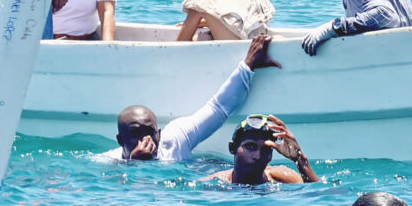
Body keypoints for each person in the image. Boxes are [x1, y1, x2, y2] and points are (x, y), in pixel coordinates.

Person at [104, 34, 281, 161]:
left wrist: (248, 65)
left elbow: (218, 109)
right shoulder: (110, 163)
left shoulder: (175, 139)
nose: (146, 141)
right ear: (120, 141)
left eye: (150, 133)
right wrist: (136, 166)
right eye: (136, 134)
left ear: (159, 133)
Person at [204, 114, 319, 184]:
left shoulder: (282, 178)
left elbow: (319, 196)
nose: (258, 156)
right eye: (250, 146)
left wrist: (300, 160)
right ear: (232, 148)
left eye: (266, 149)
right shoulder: (214, 184)